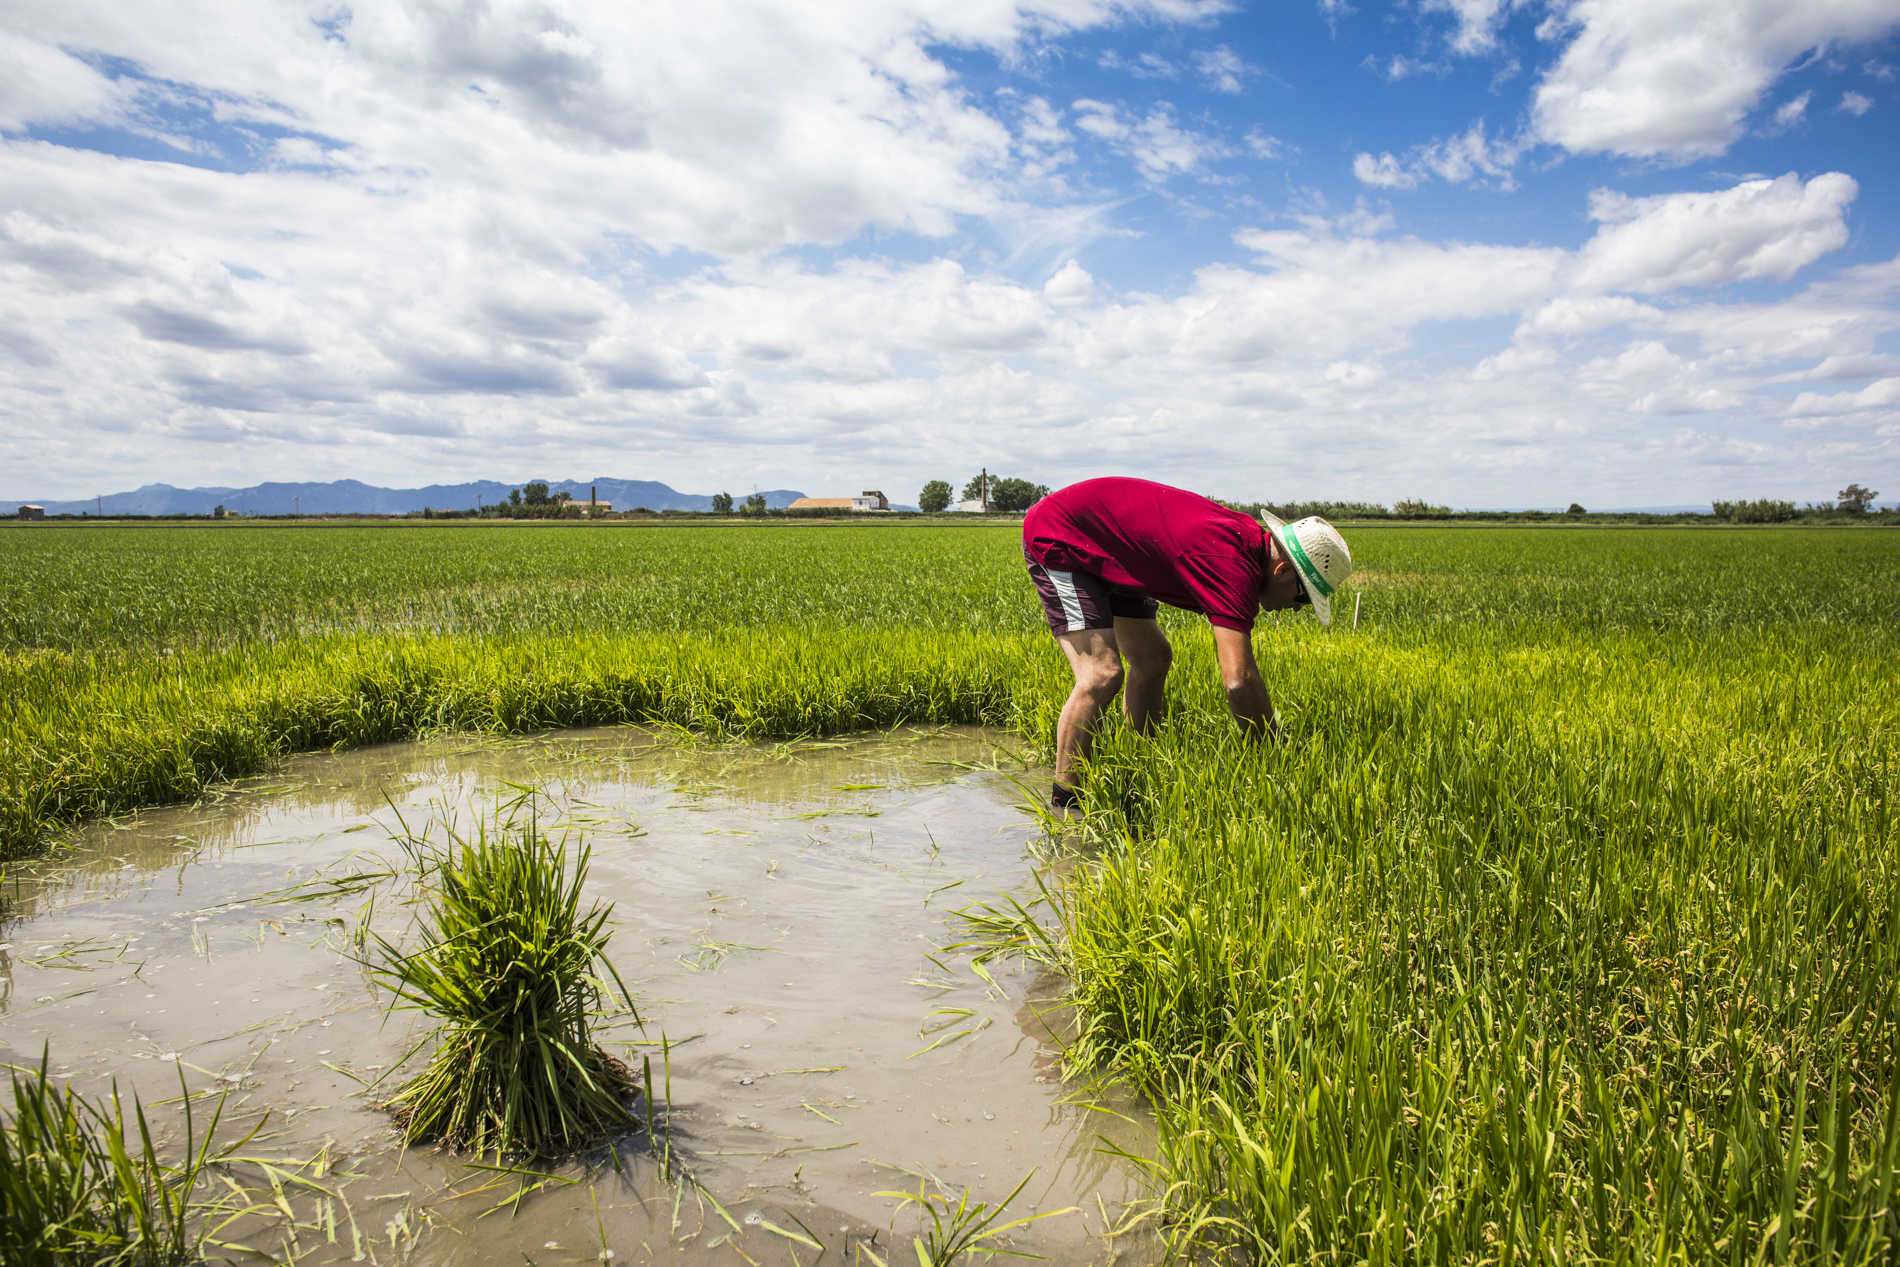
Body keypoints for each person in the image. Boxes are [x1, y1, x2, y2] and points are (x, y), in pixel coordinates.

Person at [1021, 476, 1353, 809]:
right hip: (1063, 534)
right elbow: (1239, 681)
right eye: (1304, 598)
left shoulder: (1245, 545)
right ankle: (1067, 803)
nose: (1296, 609)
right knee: (1101, 675)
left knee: (1153, 658)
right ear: (1281, 571)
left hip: (1113, 551)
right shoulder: (1233, 566)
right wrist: (1272, 754)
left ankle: (1141, 760)